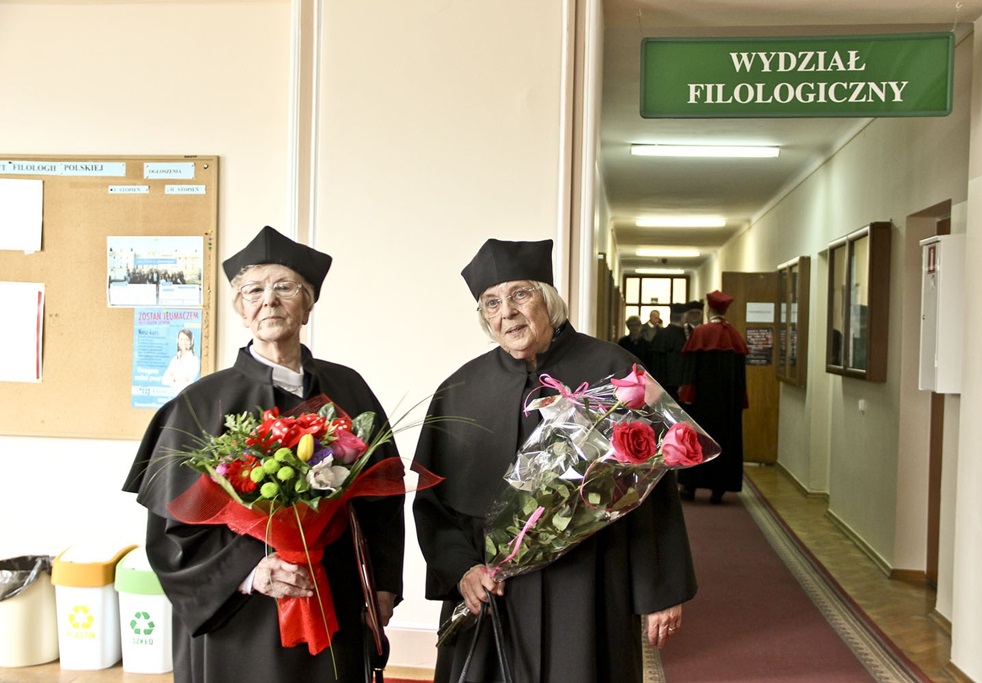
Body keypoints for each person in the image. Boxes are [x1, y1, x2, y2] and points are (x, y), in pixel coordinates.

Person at [123, 225, 405, 683]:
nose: (269, 301)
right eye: (253, 290)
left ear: (308, 304)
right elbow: (170, 533)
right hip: (241, 617)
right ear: (240, 309)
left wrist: (384, 584)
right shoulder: (199, 404)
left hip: (334, 595)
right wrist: (251, 573)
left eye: (285, 288)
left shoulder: (349, 388)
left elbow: (383, 497)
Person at [412, 238, 696, 683]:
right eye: (492, 303)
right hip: (493, 594)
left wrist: (660, 589)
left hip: (589, 586)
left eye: (520, 294)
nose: (508, 312)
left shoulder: (614, 370)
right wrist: (462, 570)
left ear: (548, 299)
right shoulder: (459, 390)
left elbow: (654, 491)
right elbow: (434, 506)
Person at [678, 290, 749, 504]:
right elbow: (741, 378)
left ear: (709, 309)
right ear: (725, 310)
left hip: (701, 403)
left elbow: (690, 370)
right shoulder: (735, 336)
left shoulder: (700, 333)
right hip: (727, 405)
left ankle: (690, 487)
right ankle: (718, 489)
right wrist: (739, 402)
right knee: (724, 442)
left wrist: (686, 398)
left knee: (697, 441)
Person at [161, 327, 200, 392]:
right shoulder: (175, 360)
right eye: (181, 339)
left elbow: (190, 380)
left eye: (187, 339)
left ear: (191, 342)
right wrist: (176, 379)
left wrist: (173, 377)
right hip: (173, 394)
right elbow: (164, 379)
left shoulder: (194, 360)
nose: (184, 342)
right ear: (178, 341)